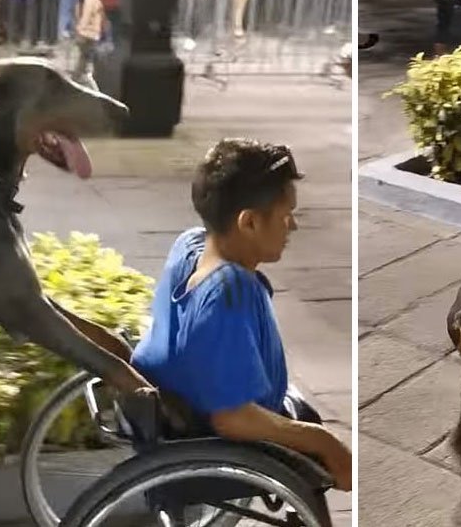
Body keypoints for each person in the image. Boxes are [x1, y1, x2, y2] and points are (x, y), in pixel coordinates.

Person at [131, 139, 353, 493]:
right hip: (225, 438)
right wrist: (325, 443)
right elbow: (233, 418)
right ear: (249, 222)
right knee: (324, 447)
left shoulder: (190, 244)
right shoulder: (229, 291)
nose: (292, 226)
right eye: (285, 215)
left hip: (180, 409)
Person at [73, 0, 101, 82]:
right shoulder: (92, 0)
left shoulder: (85, 0)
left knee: (83, 63)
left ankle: (77, 80)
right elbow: (85, 17)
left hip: (89, 36)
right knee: (88, 63)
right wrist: (80, 31)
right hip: (89, 36)